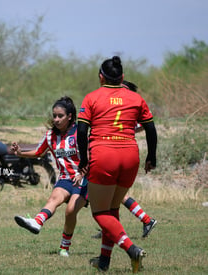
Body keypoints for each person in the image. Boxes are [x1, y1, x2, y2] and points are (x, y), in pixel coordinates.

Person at [77, 56, 158, 273]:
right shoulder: (135, 98)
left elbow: (82, 131)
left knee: (100, 212)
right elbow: (150, 128)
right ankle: (104, 261)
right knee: (112, 209)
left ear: (101, 77)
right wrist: (152, 156)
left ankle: (132, 249)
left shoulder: (92, 97)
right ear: (122, 77)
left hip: (104, 156)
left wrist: (84, 160)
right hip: (130, 156)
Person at [12, 96, 88, 257]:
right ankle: (37, 222)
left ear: (70, 116)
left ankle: (64, 247)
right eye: (54, 116)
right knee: (53, 199)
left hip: (84, 179)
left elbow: (91, 155)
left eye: (60, 116)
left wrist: (82, 173)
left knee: (70, 211)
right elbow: (38, 152)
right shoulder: (50, 136)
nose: (56, 119)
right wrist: (20, 152)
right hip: (66, 179)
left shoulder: (79, 134)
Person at [91, 81, 157, 240]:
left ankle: (141, 222)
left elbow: (145, 126)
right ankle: (110, 229)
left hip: (115, 154)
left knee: (114, 199)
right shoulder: (112, 107)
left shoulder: (130, 107)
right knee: (114, 199)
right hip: (115, 153)